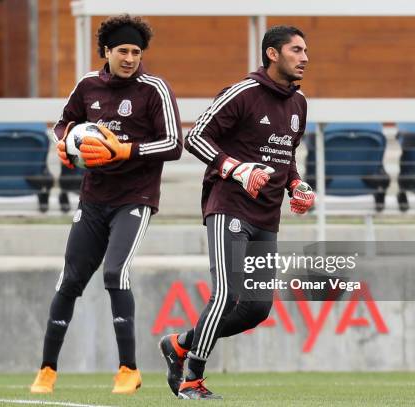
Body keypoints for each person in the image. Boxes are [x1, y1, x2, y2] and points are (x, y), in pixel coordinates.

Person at [159, 25, 315, 399]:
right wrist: (236, 168)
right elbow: (194, 137)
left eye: (306, 51)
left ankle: (180, 344)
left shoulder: (299, 103)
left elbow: (285, 154)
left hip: (267, 216)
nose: (305, 57)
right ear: (272, 54)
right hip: (229, 206)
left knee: (257, 308)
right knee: (226, 294)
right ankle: (192, 379)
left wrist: (297, 185)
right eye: (296, 50)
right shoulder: (244, 92)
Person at [30, 14, 182, 395]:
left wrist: (124, 148)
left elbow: (174, 144)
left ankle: (128, 370)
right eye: (122, 51)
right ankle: (46, 370)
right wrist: (64, 144)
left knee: (115, 273)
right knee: (69, 280)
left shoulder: (154, 90)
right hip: (94, 198)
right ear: (106, 52)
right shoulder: (87, 86)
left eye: (136, 51)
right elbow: (62, 124)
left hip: (135, 198)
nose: (130, 58)